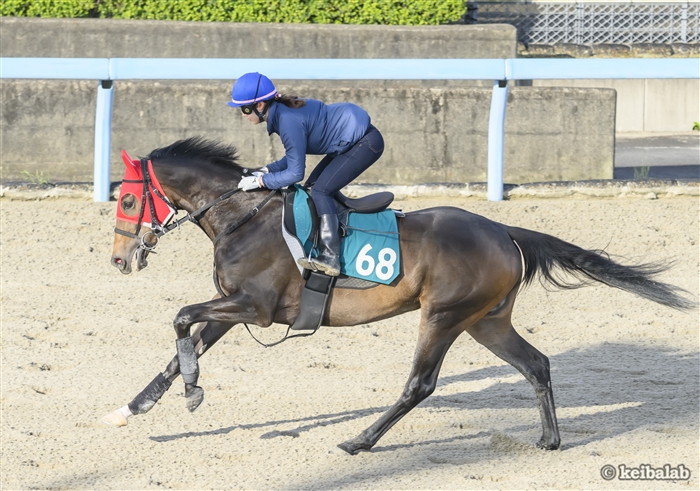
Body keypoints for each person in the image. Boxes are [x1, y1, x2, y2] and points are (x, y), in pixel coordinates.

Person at [229, 72, 385, 277]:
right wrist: (267, 170)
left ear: (259, 106)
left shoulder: (286, 120)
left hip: (364, 142)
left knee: (321, 191)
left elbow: (295, 173)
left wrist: (260, 181)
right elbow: (295, 155)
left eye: (244, 108)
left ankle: (331, 256)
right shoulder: (281, 113)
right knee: (314, 186)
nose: (242, 114)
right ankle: (329, 238)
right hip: (352, 141)